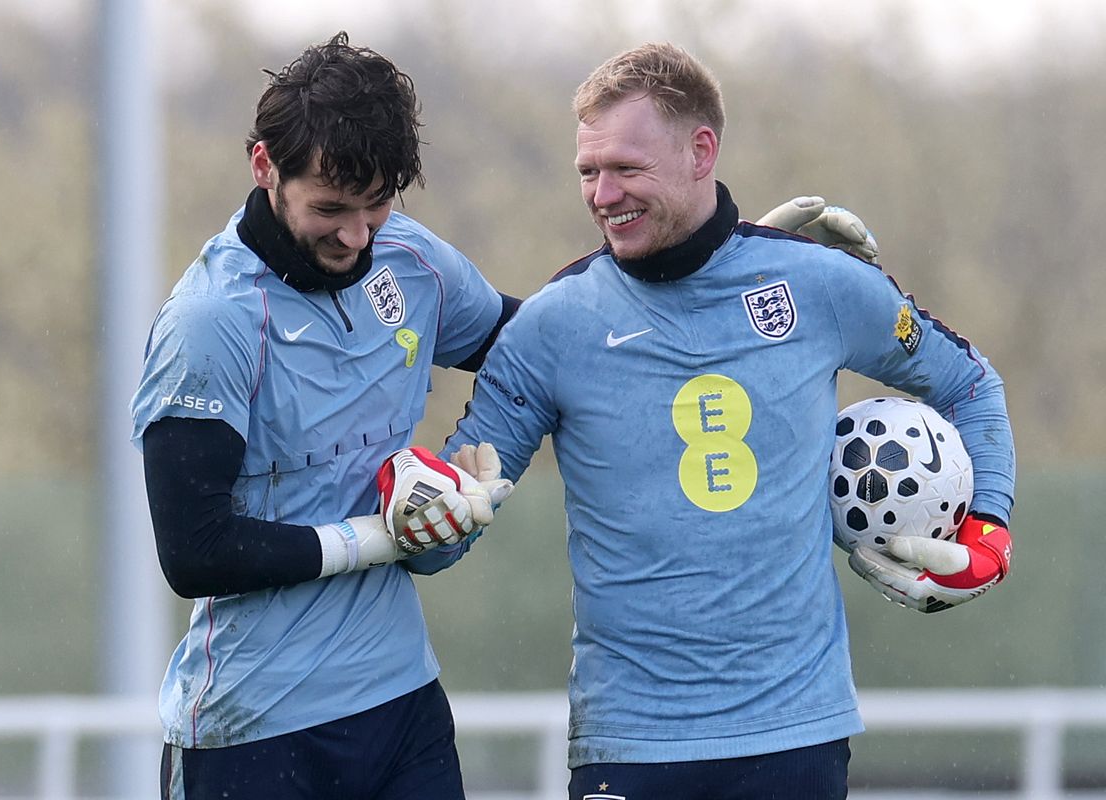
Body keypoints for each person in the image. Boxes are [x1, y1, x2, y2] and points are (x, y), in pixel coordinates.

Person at [129, 31, 881, 800]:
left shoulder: (411, 262)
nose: (356, 236)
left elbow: (574, 350)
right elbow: (195, 551)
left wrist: (735, 259)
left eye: (376, 207)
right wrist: (375, 540)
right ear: (264, 167)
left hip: (399, 707)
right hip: (250, 726)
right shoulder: (210, 320)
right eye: (330, 209)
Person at [437, 42, 1015, 799]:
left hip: (797, 738)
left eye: (627, 169)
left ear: (700, 150)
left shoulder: (821, 284)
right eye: (588, 171)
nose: (603, 193)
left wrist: (989, 529)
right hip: (628, 746)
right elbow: (447, 520)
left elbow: (970, 385)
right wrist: (427, 507)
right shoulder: (553, 327)